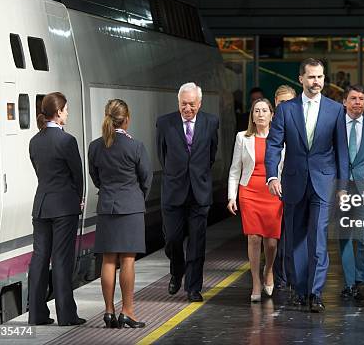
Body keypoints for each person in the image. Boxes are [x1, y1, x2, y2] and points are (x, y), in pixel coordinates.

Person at [265, 58, 349, 312]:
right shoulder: (286, 109)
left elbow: (342, 150)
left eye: (320, 77)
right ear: (301, 79)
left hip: (323, 182)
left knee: (319, 238)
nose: (316, 82)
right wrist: (272, 176)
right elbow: (273, 145)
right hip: (293, 181)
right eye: (311, 77)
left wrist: (343, 186)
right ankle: (300, 290)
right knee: (296, 241)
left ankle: (316, 292)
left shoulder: (335, 109)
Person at [88, 99, 152, 328]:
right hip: (130, 207)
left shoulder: (95, 146)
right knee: (127, 259)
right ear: (126, 119)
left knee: (107, 259)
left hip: (106, 206)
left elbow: (95, 177)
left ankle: (108, 312)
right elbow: (146, 178)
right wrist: (137, 198)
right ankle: (128, 311)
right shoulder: (135, 146)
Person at [156, 82, 219, 302]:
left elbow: (211, 154)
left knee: (197, 242)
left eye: (192, 104)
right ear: (179, 102)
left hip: (199, 192)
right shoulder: (165, 123)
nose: (187, 108)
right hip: (173, 191)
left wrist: (197, 175)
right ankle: (177, 269)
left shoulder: (211, 123)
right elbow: (162, 155)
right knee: (172, 239)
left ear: (199, 104)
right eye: (184, 104)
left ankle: (193, 287)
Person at [28, 92, 85, 326]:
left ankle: (37, 314)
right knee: (62, 259)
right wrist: (78, 198)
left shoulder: (34, 141)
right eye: (67, 109)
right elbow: (77, 175)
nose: (68, 113)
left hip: (41, 206)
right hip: (64, 207)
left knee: (39, 259)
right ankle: (66, 315)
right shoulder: (67, 141)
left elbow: (39, 172)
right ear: (59, 112)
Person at [227, 98, 283, 302]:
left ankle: (268, 269)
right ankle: (256, 281)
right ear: (252, 115)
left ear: (271, 115)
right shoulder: (242, 137)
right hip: (249, 191)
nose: (260, 114)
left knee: (271, 242)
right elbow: (235, 169)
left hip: (273, 193)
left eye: (264, 111)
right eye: (256, 111)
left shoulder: (280, 139)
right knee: (253, 238)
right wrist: (231, 196)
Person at [338, 85, 364, 301]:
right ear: (344, 102)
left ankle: (363, 279)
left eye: (361, 99)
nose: (358, 102)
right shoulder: (335, 125)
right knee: (345, 237)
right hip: (340, 189)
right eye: (353, 98)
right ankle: (350, 283)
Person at [272, 84, 297, 289]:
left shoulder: (298, 125)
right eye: (281, 103)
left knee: (290, 235)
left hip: (293, 186)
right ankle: (278, 276)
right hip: (273, 188)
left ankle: (289, 276)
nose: (284, 107)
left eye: (288, 102)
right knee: (274, 236)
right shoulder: (269, 126)